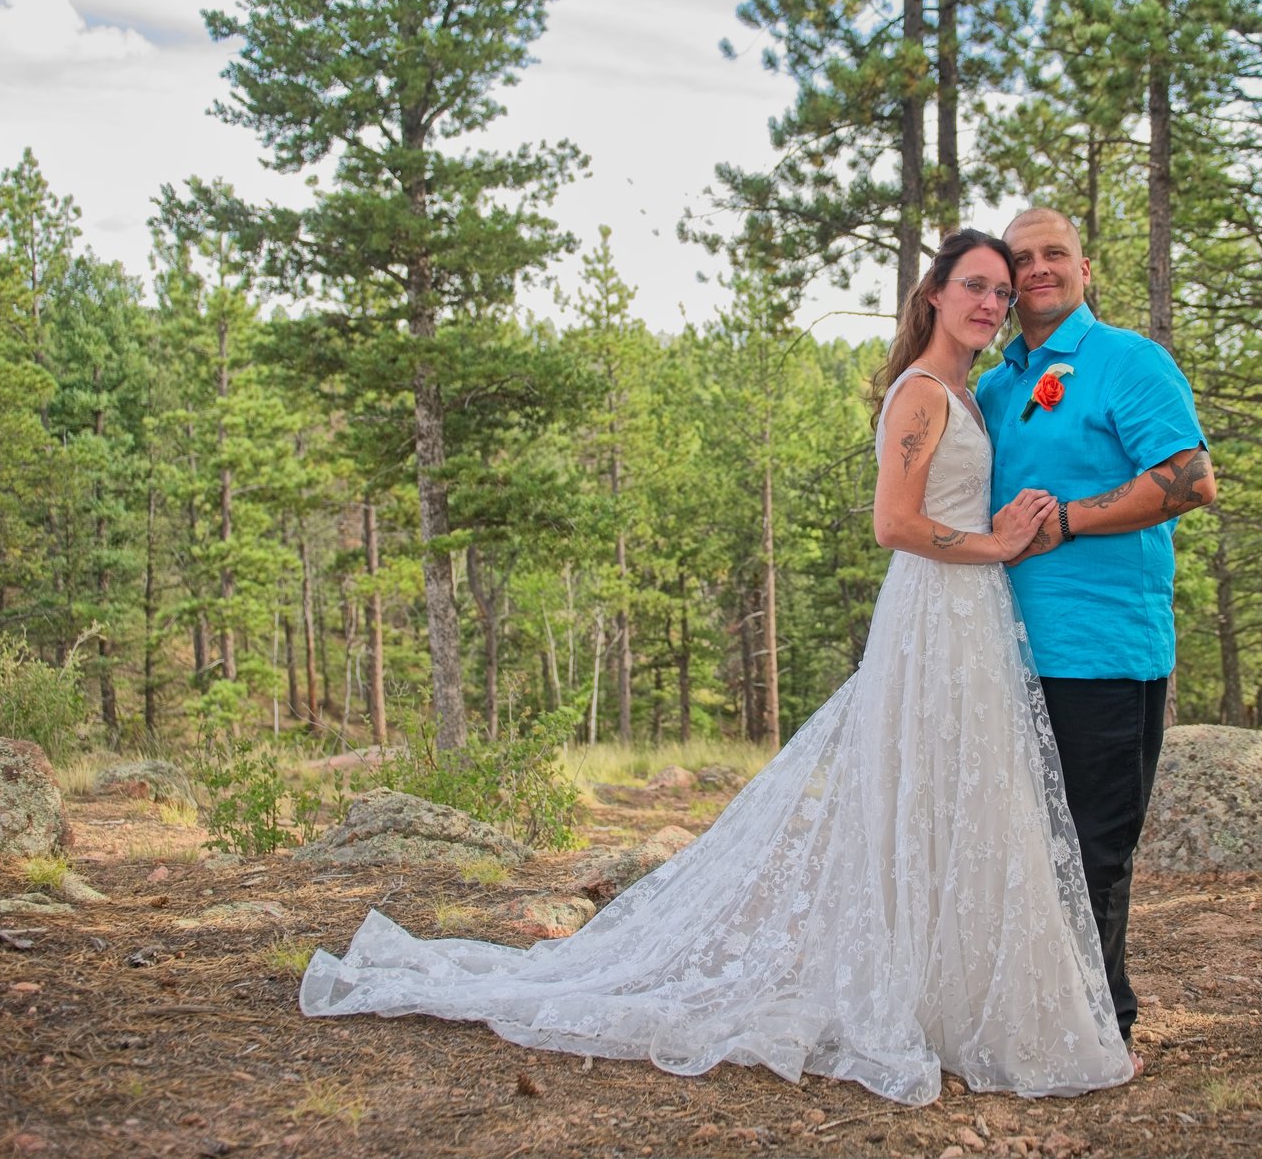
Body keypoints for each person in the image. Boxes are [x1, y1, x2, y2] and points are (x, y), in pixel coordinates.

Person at [300, 229, 1135, 1105]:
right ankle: (915, 999)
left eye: (1002, 293)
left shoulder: (968, 391)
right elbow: (892, 524)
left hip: (972, 615)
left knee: (958, 799)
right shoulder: (921, 393)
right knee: (923, 794)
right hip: (937, 612)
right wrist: (996, 541)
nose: (992, 304)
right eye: (975, 286)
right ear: (933, 294)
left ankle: (948, 999)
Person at [975, 207, 1215, 1058]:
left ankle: (1098, 1029)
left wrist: (1069, 521)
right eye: (1021, 258)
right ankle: (1033, 1015)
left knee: (1091, 851)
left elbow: (1189, 480)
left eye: (1054, 254)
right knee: (1020, 849)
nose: (1037, 269)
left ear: (1085, 269)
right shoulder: (996, 385)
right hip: (999, 653)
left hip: (1101, 652)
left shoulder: (1129, 362)